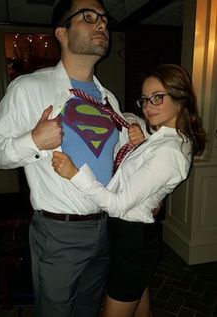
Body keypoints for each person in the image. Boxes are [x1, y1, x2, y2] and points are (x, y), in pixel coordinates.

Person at [0, 0, 144, 316]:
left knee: (86, 308)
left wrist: (134, 133)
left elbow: (112, 158)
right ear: (62, 33)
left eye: (104, 19)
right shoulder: (28, 88)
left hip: (104, 227)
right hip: (59, 233)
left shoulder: (108, 98)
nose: (102, 24)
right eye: (88, 17)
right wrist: (32, 140)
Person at [52, 64, 206, 317]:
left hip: (133, 242)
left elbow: (118, 204)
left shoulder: (168, 151)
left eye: (158, 97)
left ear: (181, 98)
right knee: (141, 309)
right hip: (131, 236)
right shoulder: (162, 138)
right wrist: (140, 133)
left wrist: (75, 174)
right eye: (145, 99)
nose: (148, 106)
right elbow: (128, 117)